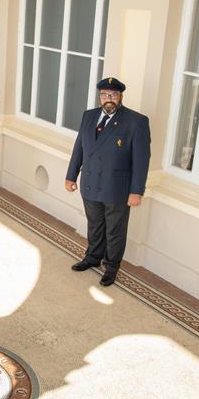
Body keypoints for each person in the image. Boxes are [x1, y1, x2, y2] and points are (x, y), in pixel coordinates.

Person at [65, 77, 151, 286]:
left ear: (120, 96)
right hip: (90, 183)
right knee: (94, 225)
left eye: (113, 95)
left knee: (115, 230)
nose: (108, 99)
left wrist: (136, 191)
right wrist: (71, 175)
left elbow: (141, 160)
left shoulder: (136, 121)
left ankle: (111, 267)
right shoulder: (89, 116)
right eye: (104, 95)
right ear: (99, 96)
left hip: (117, 188)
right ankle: (93, 257)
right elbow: (80, 148)